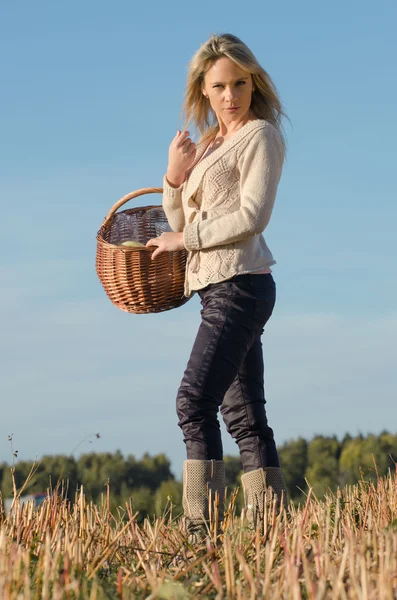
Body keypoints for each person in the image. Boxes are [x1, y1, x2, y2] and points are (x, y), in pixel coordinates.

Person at [146, 33, 288, 540]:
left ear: (254, 83)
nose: (231, 96)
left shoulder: (261, 136)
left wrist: (188, 236)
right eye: (220, 87)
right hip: (218, 289)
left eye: (240, 84)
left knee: (192, 402)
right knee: (245, 417)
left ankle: (199, 529)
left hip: (242, 286)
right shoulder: (211, 143)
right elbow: (179, 214)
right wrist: (174, 175)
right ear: (204, 91)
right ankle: (269, 532)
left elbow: (252, 215)